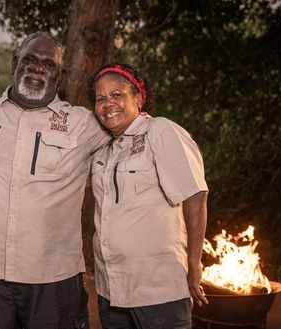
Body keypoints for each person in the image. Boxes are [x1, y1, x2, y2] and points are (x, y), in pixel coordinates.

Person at [0, 32, 110, 329]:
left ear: (61, 75)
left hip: (53, 279)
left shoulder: (84, 124)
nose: (37, 67)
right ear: (15, 63)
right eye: (29, 59)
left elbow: (129, 132)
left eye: (48, 63)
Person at [87, 63, 209, 329]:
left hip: (158, 291)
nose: (108, 104)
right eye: (100, 98)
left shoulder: (161, 131)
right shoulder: (102, 149)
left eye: (117, 94)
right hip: (111, 290)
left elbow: (194, 196)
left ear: (138, 98)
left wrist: (194, 262)